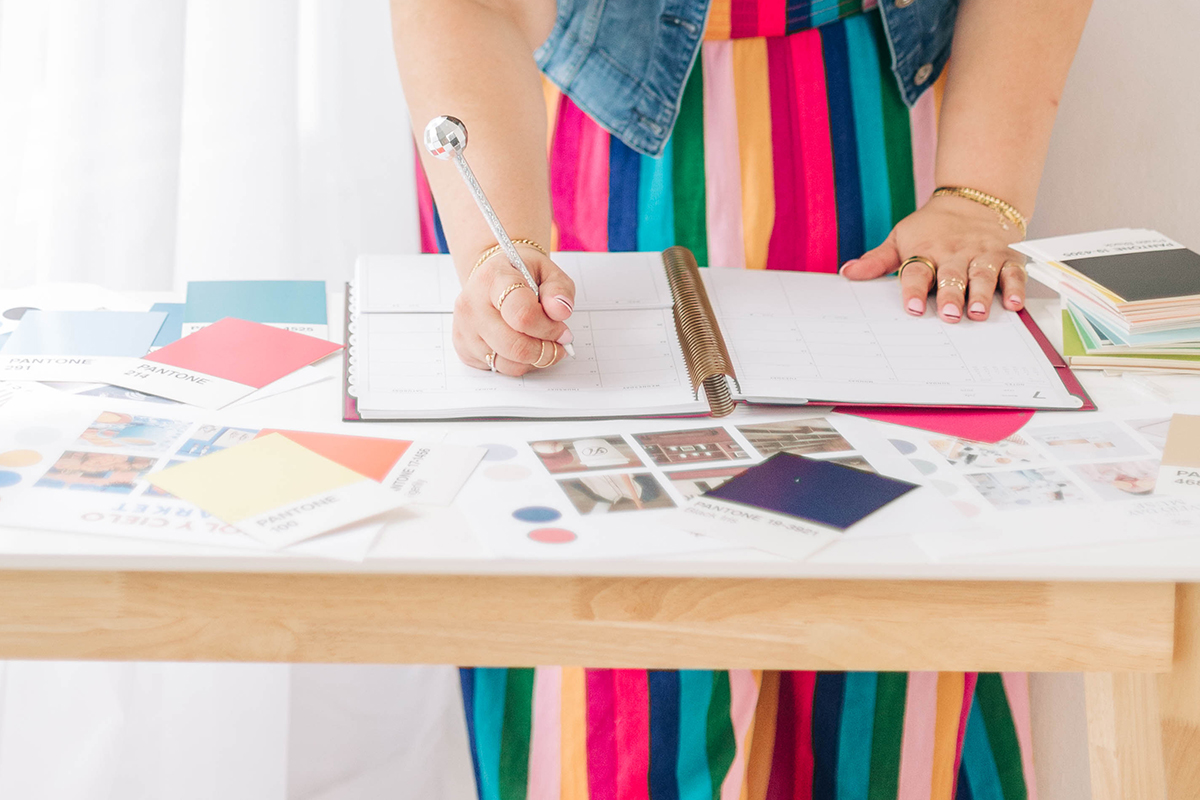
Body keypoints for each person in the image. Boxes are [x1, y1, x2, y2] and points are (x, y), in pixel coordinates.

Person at [391, 0, 1092, 794]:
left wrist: (977, 196)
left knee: (885, 635)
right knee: (617, 667)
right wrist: (499, 246)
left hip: (889, 150)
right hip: (563, 159)